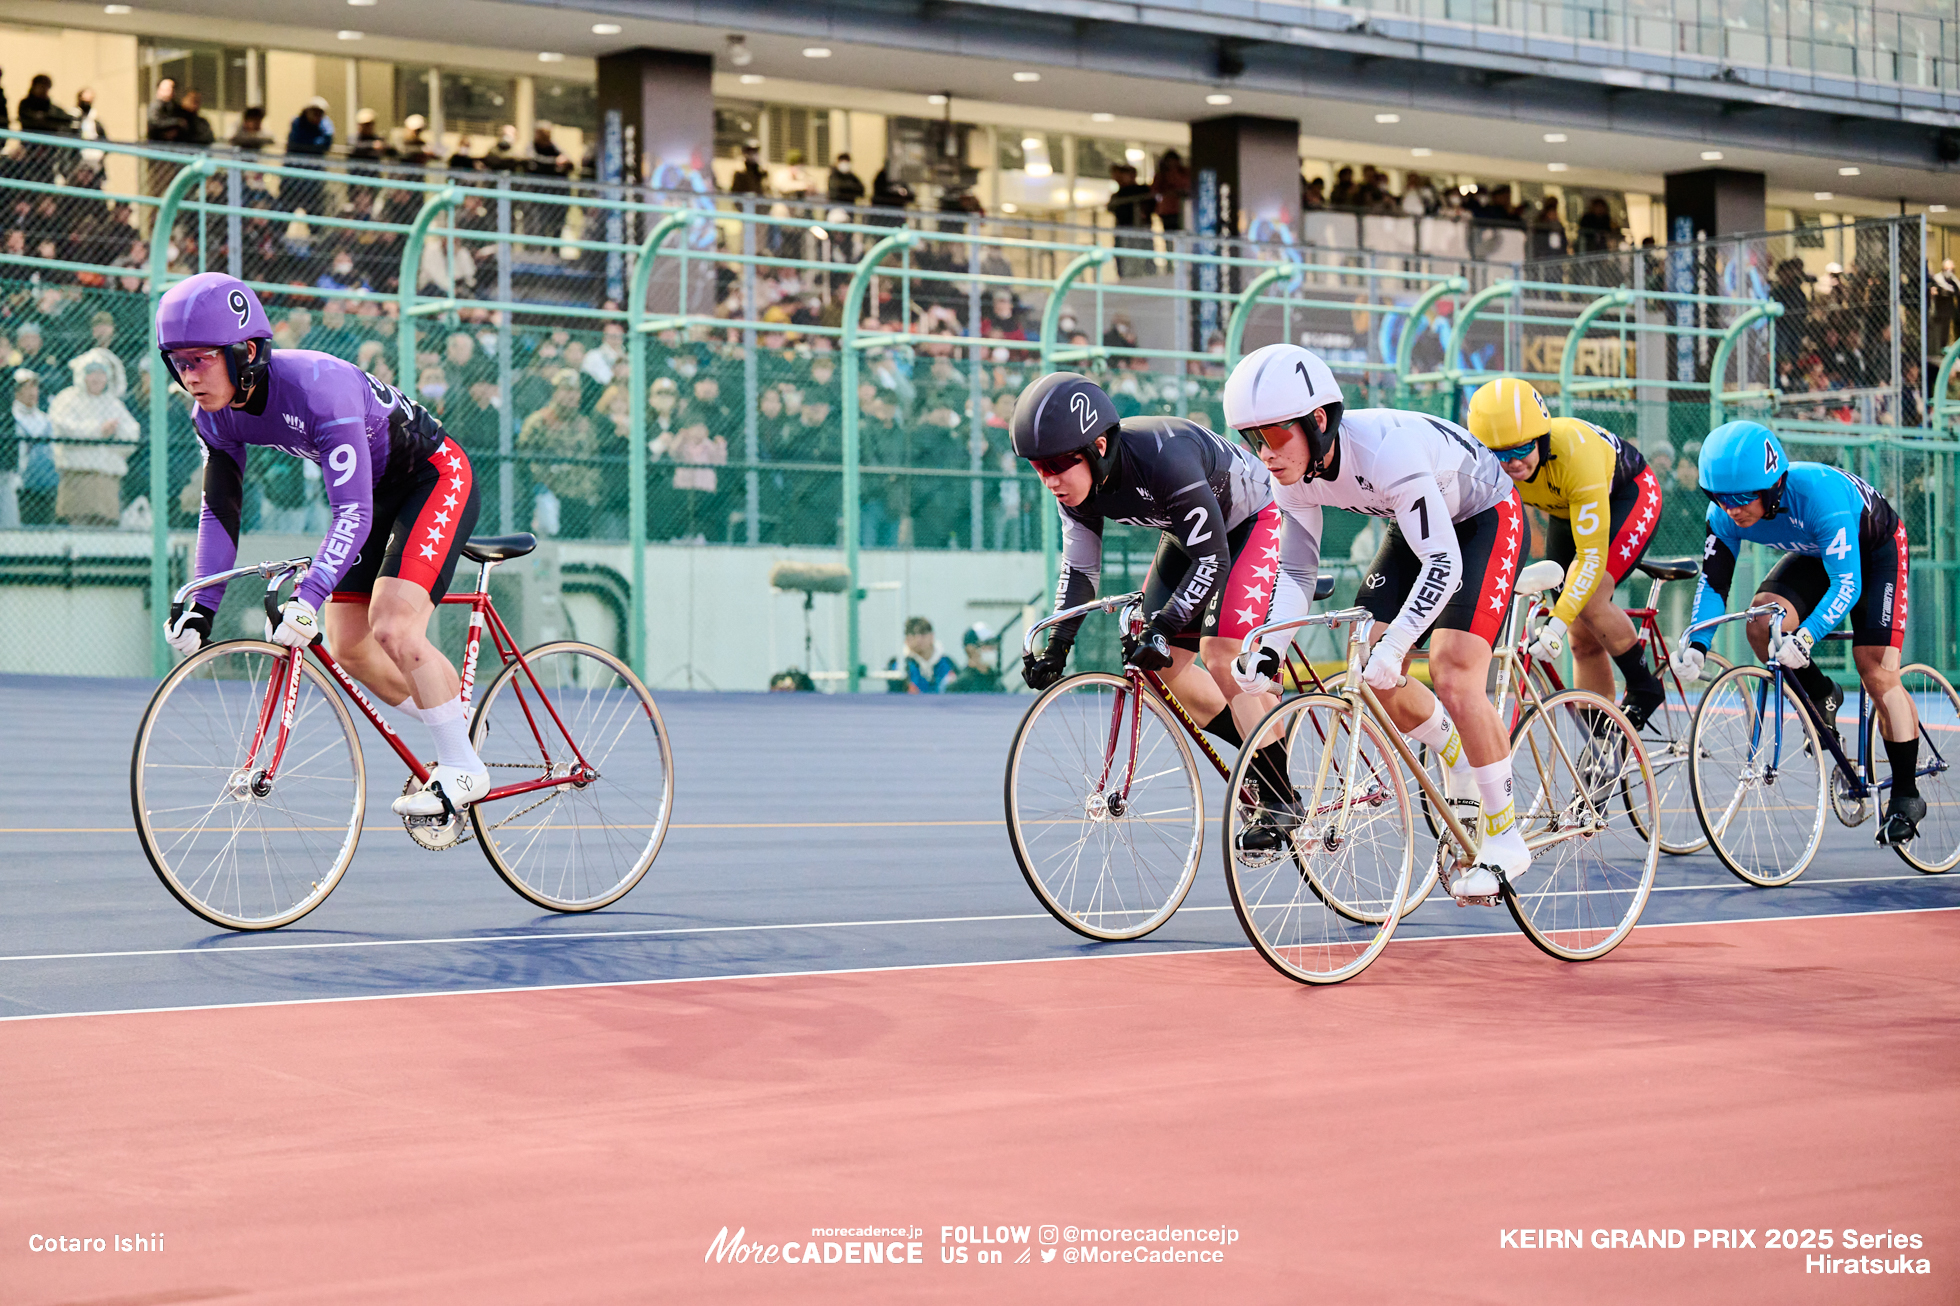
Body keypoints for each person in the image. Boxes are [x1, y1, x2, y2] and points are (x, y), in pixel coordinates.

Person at [154, 272, 488, 820]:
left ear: (246, 352)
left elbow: (350, 511)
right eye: (179, 362)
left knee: (393, 627)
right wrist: (202, 606)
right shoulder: (212, 416)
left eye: (202, 359)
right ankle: (454, 718)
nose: (190, 376)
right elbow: (220, 511)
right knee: (351, 646)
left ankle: (462, 765)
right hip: (375, 492)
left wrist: (307, 597)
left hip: (433, 476)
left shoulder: (317, 387)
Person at [1222, 342, 1528, 898]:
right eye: (1252, 438)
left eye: (1272, 435)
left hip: (1482, 518)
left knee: (1454, 671)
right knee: (1369, 669)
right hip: (1416, 521)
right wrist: (1267, 647)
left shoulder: (1386, 453)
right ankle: (1454, 755)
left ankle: (1506, 837)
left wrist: (1399, 647)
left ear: (1318, 420)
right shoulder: (1291, 473)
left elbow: (1445, 561)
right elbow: (1294, 572)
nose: (1263, 452)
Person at [1015, 371, 1304, 844]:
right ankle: (1263, 746)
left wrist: (1166, 625)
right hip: (1190, 533)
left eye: (1055, 465)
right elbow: (1080, 570)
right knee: (1158, 667)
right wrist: (1057, 645)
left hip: (1255, 521)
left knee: (1221, 652)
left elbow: (1214, 556)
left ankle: (1281, 799)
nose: (1049, 480)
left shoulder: (1162, 458)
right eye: (1037, 468)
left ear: (1099, 448)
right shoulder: (1077, 487)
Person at [1676, 421, 1922, 845]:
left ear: (1773, 486)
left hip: (1875, 550)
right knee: (1761, 623)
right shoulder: (1724, 515)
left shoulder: (1817, 496)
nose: (1731, 509)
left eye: (1740, 497)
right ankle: (1823, 694)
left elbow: (1848, 584)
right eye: (1719, 498)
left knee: (1875, 670)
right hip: (1814, 550)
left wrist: (1805, 638)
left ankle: (1906, 793)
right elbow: (1714, 584)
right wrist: (1698, 642)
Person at [1466, 378, 1667, 725]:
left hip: (1627, 495)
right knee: (1579, 639)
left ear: (1541, 437)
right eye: (1499, 454)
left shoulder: (1575, 452)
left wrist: (1556, 624)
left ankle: (1643, 685)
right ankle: (1601, 742)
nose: (1511, 463)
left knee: (1586, 602)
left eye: (1520, 449)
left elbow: (1590, 559)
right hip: (1563, 510)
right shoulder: (1483, 468)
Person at [48, 349, 139, 527]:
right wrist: (98, 431)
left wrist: (114, 433)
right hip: (77, 477)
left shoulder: (113, 404)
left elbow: (132, 433)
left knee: (106, 531)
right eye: (91, 373)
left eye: (101, 373)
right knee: (77, 527)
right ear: (82, 375)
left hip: (107, 481)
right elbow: (63, 428)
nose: (96, 378)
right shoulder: (67, 398)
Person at [888, 616, 958, 693]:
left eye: (923, 633)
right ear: (906, 639)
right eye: (913, 634)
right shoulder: (899, 666)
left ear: (932, 636)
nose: (918, 639)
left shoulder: (947, 663)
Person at [948, 624, 1004, 693]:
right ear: (970, 649)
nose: (993, 649)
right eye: (987, 644)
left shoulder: (996, 683)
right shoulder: (960, 686)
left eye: (994, 644)